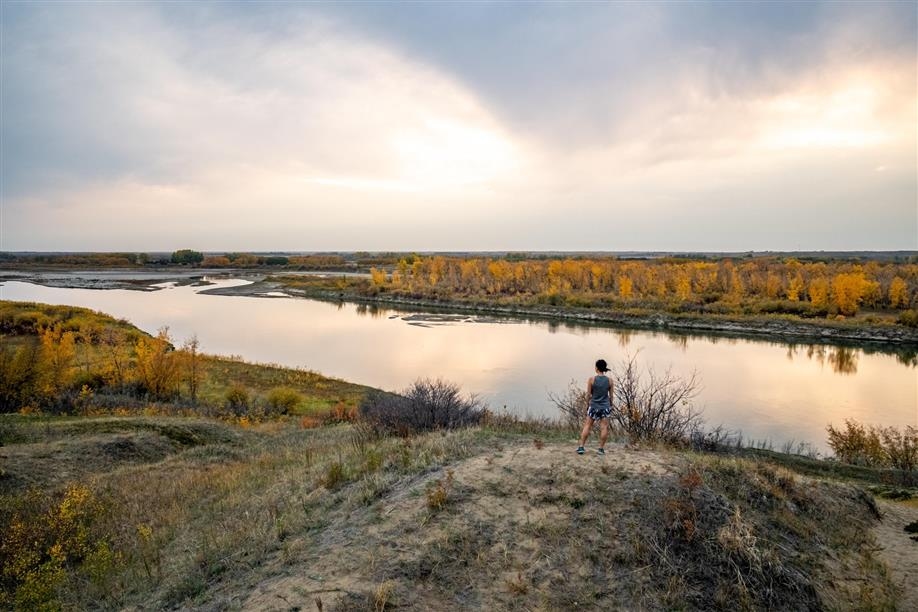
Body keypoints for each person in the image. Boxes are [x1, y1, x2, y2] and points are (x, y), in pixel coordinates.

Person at [576, 359, 612, 455]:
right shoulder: (610, 381)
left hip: (594, 406)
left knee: (587, 425)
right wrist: (610, 405)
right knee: (604, 427)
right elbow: (611, 396)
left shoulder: (591, 380)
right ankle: (600, 449)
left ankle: (581, 447)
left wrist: (587, 405)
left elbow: (588, 395)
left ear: (596, 368)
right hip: (605, 407)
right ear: (604, 368)